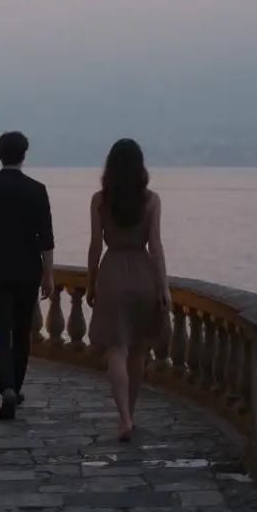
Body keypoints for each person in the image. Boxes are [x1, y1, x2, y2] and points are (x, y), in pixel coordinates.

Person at [86, 138, 171, 441]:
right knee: (138, 349)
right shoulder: (152, 200)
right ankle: (132, 414)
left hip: (112, 274)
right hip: (143, 274)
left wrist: (91, 281)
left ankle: (123, 417)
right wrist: (164, 287)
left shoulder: (99, 199)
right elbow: (157, 246)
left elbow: (96, 245)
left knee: (117, 349)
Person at [0, 131, 55, 420]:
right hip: (28, 272)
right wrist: (49, 275)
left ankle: (5, 387)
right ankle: (15, 388)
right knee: (21, 333)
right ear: (24, 155)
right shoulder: (37, 190)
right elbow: (46, 239)